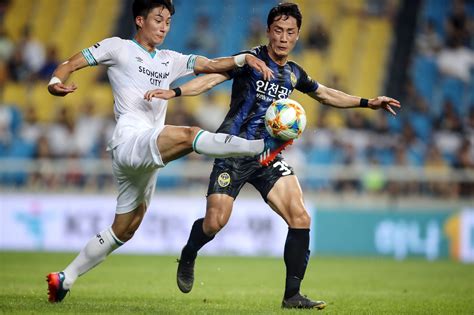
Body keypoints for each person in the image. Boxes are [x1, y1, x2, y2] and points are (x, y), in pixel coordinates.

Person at [147, 2, 401, 310]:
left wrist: (367, 102)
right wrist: (175, 93)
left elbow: (324, 93)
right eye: (278, 30)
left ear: (297, 36)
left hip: (267, 155)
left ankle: (292, 295)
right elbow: (210, 79)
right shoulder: (249, 60)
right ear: (268, 32)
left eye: (290, 32)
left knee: (301, 217)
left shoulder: (294, 73)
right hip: (233, 149)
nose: (283, 37)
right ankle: (189, 253)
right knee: (215, 223)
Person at [45, 0, 277, 303]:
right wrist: (55, 82)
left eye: (168, 21)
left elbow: (210, 64)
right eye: (158, 19)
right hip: (130, 138)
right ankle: (258, 148)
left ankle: (65, 278)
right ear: (140, 20)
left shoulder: (170, 59)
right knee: (189, 135)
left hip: (147, 157)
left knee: (124, 230)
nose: (164, 26)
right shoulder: (119, 47)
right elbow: (71, 63)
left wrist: (244, 58)